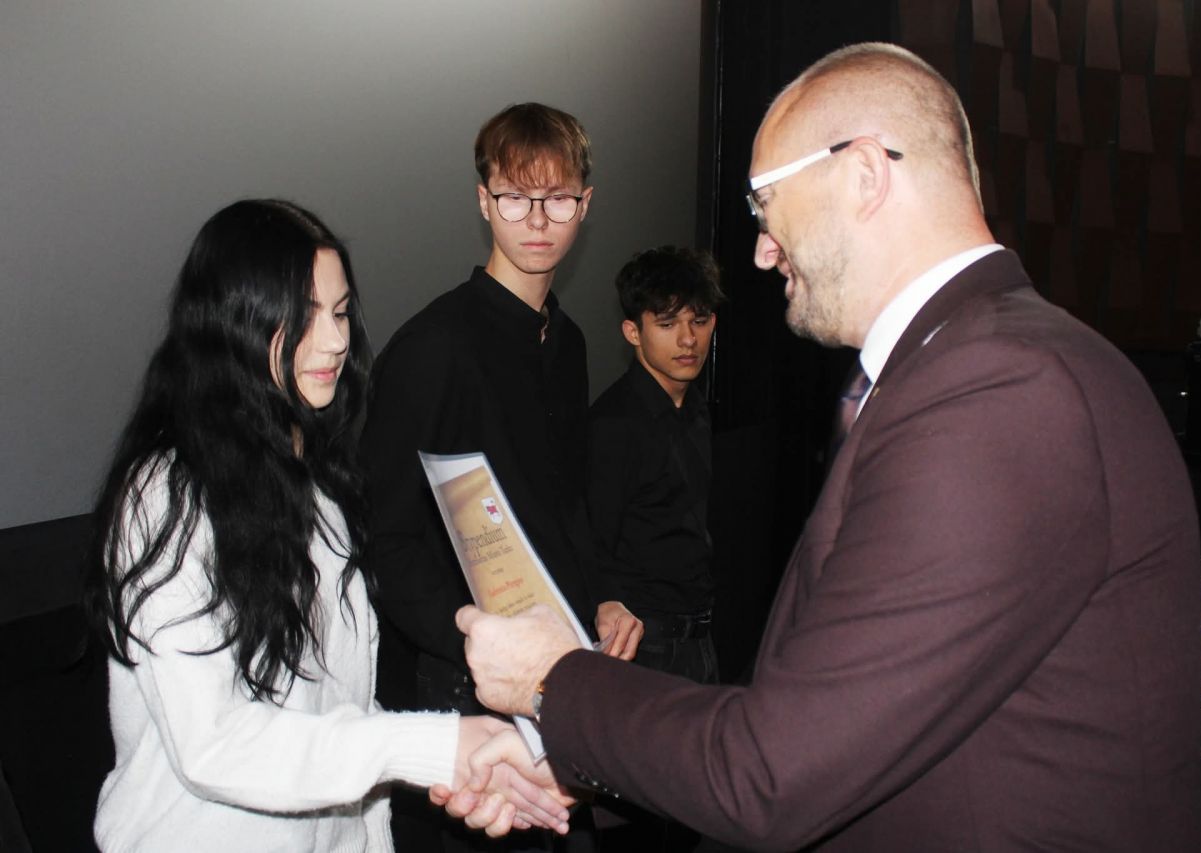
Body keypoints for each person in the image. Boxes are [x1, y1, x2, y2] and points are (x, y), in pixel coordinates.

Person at [450, 43, 1201, 851]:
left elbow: (771, 774)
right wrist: (572, 757)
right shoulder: (977, 363)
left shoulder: (998, 392)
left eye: (765, 205)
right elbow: (844, 719)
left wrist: (553, 683)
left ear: (864, 175)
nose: (762, 249)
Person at [86, 199, 570, 852]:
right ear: (234, 324)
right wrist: (435, 746)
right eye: (304, 316)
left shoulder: (318, 483)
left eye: (340, 313)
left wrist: (467, 758)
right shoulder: (166, 498)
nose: (337, 340)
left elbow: (337, 713)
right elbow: (214, 742)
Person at [361, 103, 641, 850]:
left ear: (586, 204)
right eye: (516, 197)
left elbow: (565, 504)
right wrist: (475, 641)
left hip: (554, 666)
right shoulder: (432, 347)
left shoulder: (569, 342)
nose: (537, 219)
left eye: (558, 199)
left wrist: (603, 595)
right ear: (484, 201)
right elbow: (385, 539)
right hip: (461, 681)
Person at [585, 247, 723, 851]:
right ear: (632, 331)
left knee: (691, 822)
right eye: (667, 323)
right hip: (641, 649)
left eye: (699, 319)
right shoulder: (613, 424)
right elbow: (588, 542)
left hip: (700, 642)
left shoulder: (698, 411)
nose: (688, 339)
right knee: (636, 832)